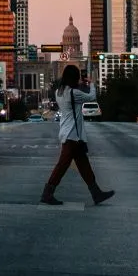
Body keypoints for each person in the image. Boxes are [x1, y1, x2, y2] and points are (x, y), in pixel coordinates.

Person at [40, 65, 114, 206]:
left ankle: (96, 193)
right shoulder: (74, 93)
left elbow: (72, 97)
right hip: (73, 136)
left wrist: (79, 84)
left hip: (67, 133)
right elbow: (92, 97)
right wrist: (91, 83)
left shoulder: (59, 92)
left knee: (84, 165)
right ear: (74, 78)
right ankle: (47, 193)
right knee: (62, 165)